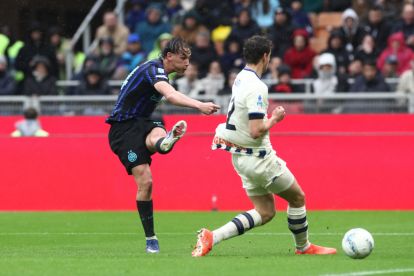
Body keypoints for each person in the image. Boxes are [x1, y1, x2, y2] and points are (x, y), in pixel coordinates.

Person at [191, 35, 336, 257]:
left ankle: (213, 236)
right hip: (259, 158)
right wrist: (275, 118)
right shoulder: (257, 86)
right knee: (298, 198)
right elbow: (256, 130)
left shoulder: (240, 77)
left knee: (266, 211)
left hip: (239, 156)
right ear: (265, 56)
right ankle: (303, 247)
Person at [106, 37, 220, 254]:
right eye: (183, 58)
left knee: (158, 131)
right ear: (169, 57)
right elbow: (170, 95)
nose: (187, 63)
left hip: (144, 121)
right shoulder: (154, 70)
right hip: (123, 130)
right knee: (146, 182)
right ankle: (151, 238)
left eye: (189, 58)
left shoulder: (161, 73)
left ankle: (164, 142)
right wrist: (199, 105)